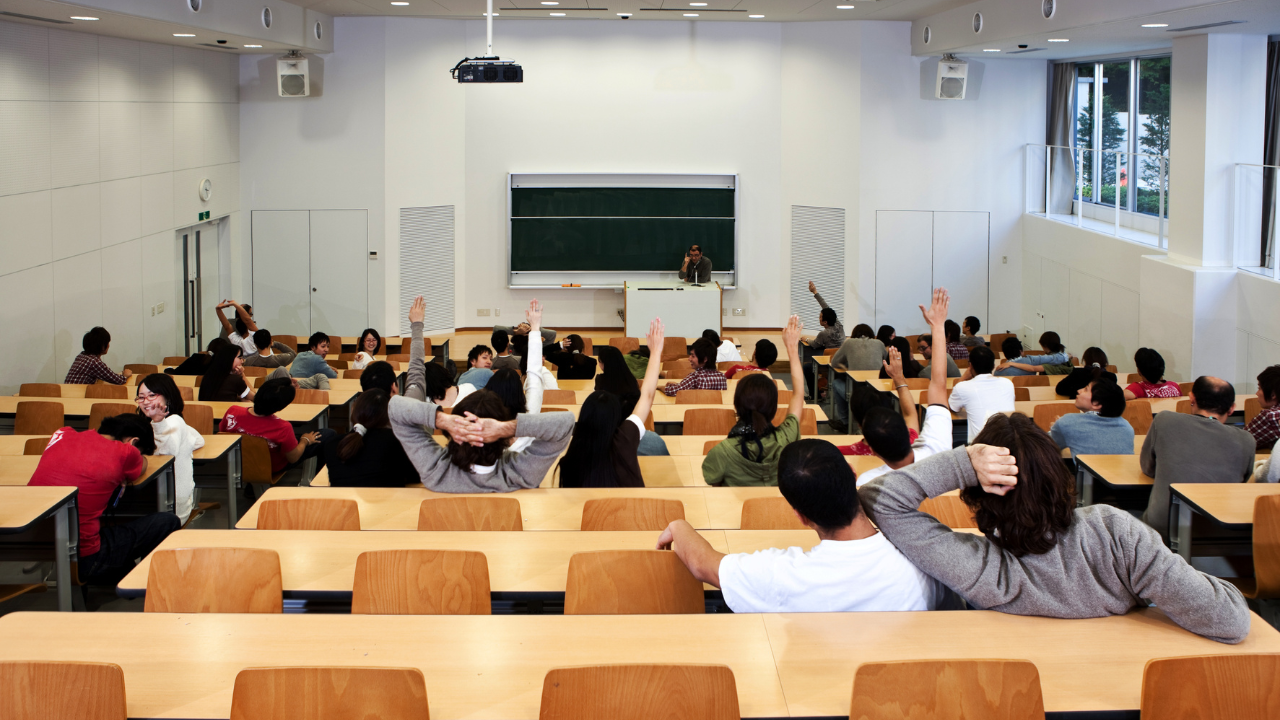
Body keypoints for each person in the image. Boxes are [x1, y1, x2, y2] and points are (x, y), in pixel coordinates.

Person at [857, 413, 1250, 644]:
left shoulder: (979, 568)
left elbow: (880, 499)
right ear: (1058, 475)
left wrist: (964, 463)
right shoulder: (1116, 535)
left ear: (977, 495)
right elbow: (1231, 620)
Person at [658, 439, 945, 613]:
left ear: (800, 516)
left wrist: (678, 525)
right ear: (854, 475)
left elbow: (702, 565)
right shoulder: (922, 557)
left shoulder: (782, 576)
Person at [29, 415, 180, 585]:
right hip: (84, 557)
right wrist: (130, 462)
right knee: (166, 521)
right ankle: (146, 586)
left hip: (33, 542)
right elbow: (143, 464)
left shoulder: (62, 433)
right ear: (133, 442)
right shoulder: (126, 452)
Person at [855, 289, 955, 487]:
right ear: (909, 435)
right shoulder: (936, 448)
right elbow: (938, 384)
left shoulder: (868, 482)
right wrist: (937, 325)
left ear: (873, 451)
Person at [1140, 376, 1256, 537]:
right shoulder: (1246, 440)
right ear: (1231, 409)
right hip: (1220, 530)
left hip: (1164, 526)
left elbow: (1147, 468)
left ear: (1191, 398)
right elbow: (1242, 484)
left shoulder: (1164, 420)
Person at [558, 319, 666, 487]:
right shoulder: (625, 439)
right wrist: (656, 352)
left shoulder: (570, 457)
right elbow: (647, 395)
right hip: (629, 511)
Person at [702, 316, 806, 486]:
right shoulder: (787, 437)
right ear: (773, 409)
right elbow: (799, 393)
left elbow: (711, 480)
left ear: (737, 405)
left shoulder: (722, 452)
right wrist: (792, 348)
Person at [218, 377, 328, 475]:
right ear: (281, 407)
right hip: (269, 468)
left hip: (234, 463)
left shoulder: (233, 411)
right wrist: (305, 440)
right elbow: (293, 458)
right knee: (327, 434)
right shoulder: (283, 427)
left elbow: (223, 435)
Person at [135, 374, 205, 524]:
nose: (146, 401)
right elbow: (198, 439)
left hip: (170, 507)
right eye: (141, 397)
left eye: (152, 395)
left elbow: (167, 455)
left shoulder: (174, 421)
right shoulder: (148, 424)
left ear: (168, 397)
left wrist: (158, 422)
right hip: (154, 498)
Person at [324, 389, 418, 487]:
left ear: (353, 411)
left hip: (345, 502)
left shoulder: (332, 444)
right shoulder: (398, 440)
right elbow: (416, 476)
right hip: (389, 501)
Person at [1049, 378, 1134, 458]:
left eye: (1086, 389)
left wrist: (1056, 427)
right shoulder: (1127, 427)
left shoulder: (1067, 422)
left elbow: (1049, 446)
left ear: (1096, 403)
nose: (1079, 391)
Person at [948, 345, 1015, 443]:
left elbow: (953, 407)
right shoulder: (1008, 383)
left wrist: (962, 378)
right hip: (1009, 444)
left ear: (970, 366)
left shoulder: (962, 387)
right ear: (993, 366)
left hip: (981, 447)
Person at [827, 324, 887, 432]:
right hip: (878, 391)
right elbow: (886, 361)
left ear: (854, 334)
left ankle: (845, 422)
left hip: (856, 393)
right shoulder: (879, 343)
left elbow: (834, 362)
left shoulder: (849, 343)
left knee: (836, 383)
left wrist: (848, 366)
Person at [65, 327, 132, 385]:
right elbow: (119, 380)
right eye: (107, 342)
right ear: (102, 346)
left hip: (66, 395)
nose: (108, 345)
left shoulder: (81, 356)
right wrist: (125, 375)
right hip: (78, 396)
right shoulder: (94, 362)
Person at [662, 337, 726, 396]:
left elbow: (671, 391)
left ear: (705, 359)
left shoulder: (695, 377)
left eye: (693, 356)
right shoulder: (722, 377)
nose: (689, 359)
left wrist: (659, 387)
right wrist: (677, 385)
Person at [996, 332, 1070, 377]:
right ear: (1021, 351)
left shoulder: (998, 371)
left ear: (1004, 354)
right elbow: (1057, 358)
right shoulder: (1031, 361)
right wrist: (1068, 356)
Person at [1246, 365, 1280, 451]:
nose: (1257, 393)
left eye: (1259, 388)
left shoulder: (1271, 416)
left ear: (1273, 395)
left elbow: (1242, 442)